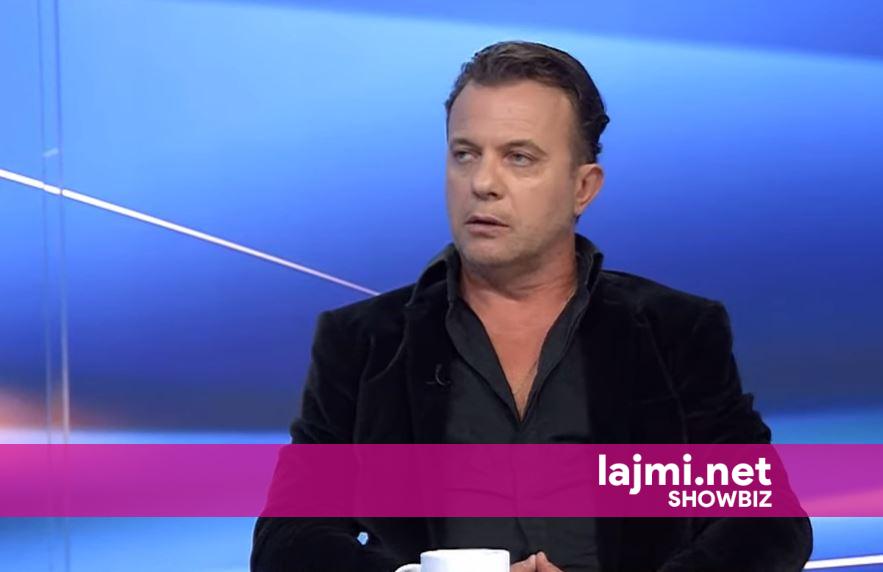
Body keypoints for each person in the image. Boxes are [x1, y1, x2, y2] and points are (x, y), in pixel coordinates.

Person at [251, 41, 812, 571]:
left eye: (519, 158)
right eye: (465, 154)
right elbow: (289, 535)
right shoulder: (362, 341)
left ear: (583, 187)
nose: (483, 183)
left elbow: (767, 521)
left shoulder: (677, 332)